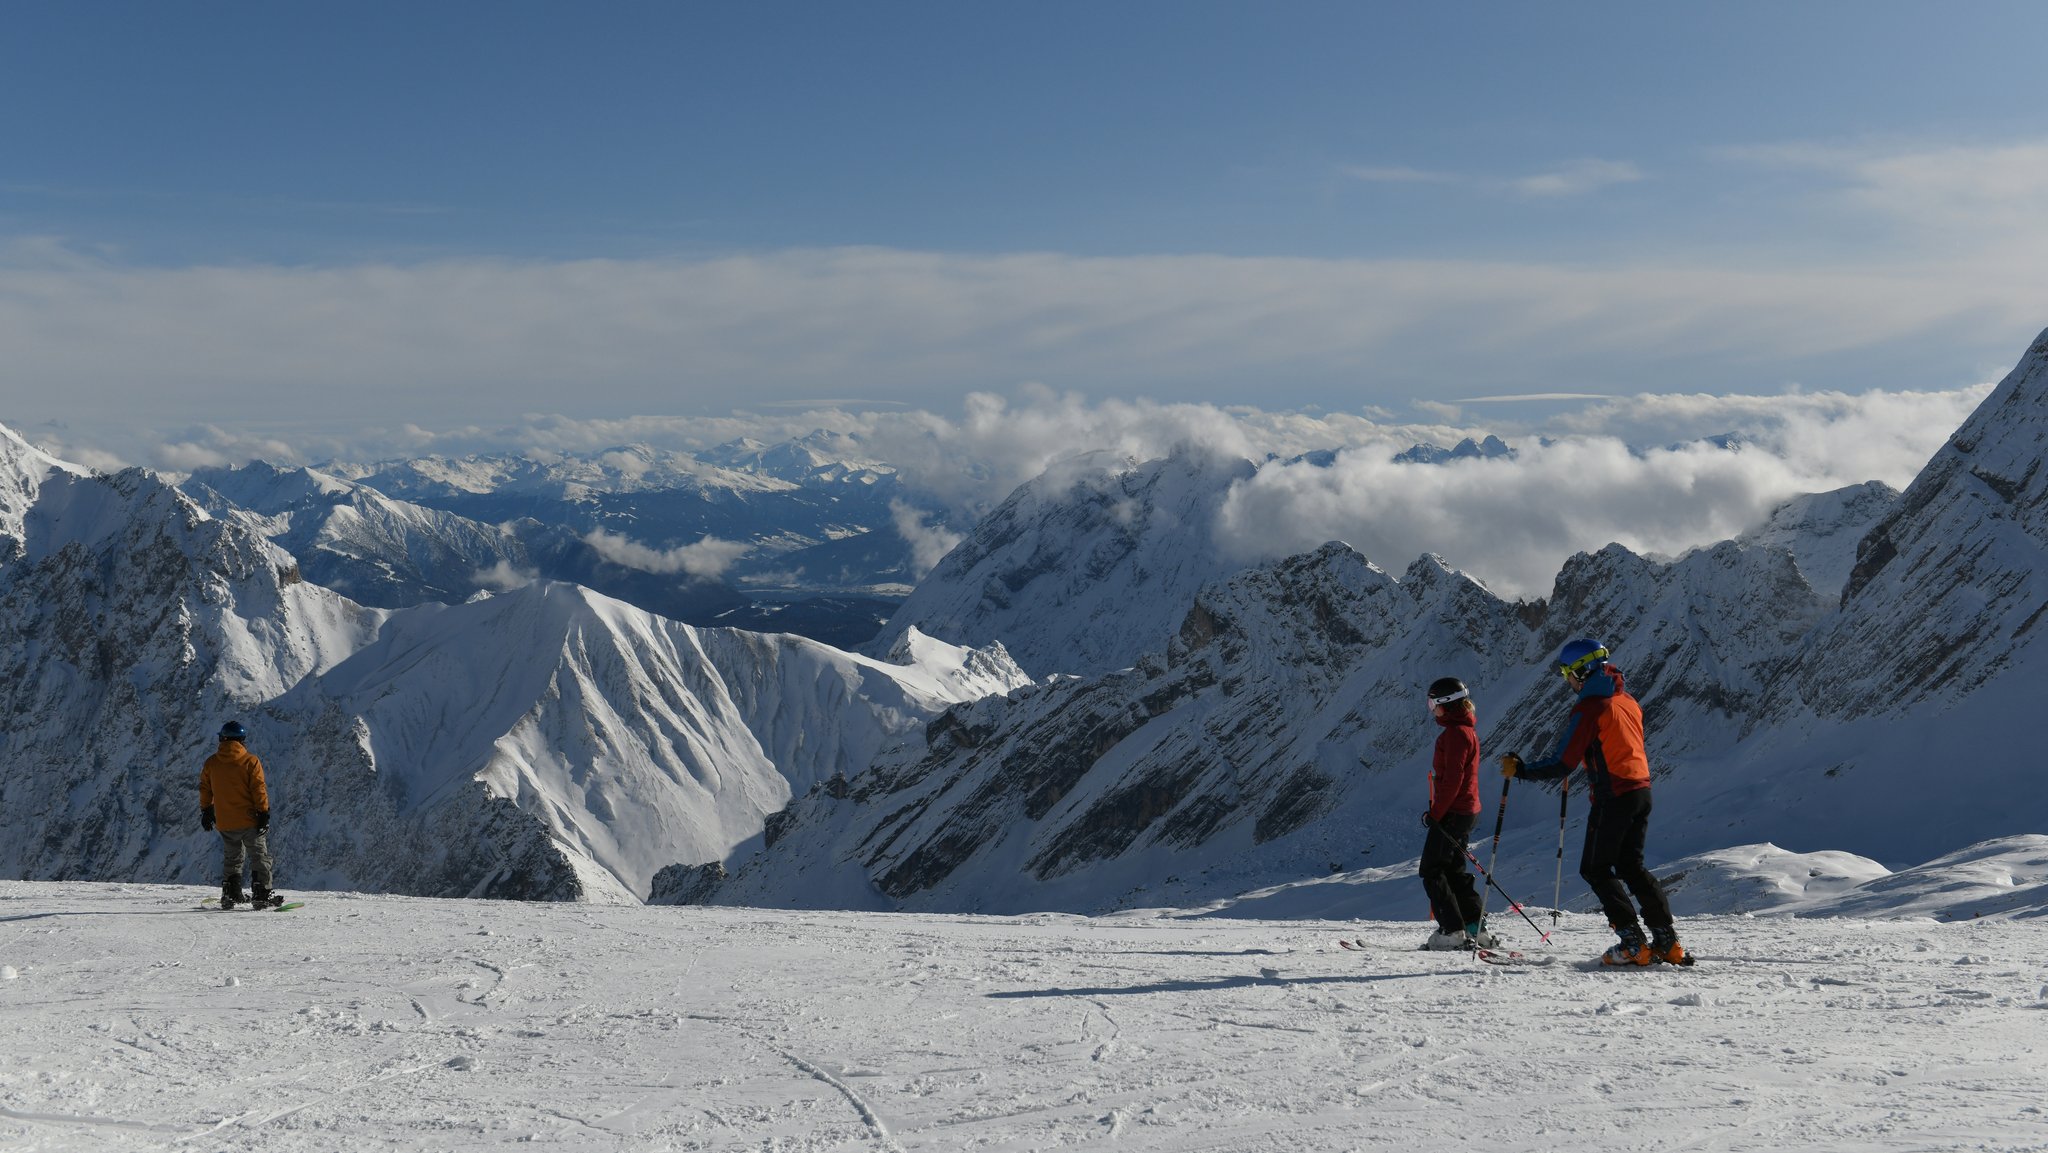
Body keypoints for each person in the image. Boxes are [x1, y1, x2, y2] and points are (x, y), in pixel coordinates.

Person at [1499, 639, 1687, 966]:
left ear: (1582, 672)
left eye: (1567, 673)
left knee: (1595, 868)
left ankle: (1632, 943)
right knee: (1631, 866)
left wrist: (1522, 769)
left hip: (1613, 796)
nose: (1566, 681)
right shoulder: (1627, 701)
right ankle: (1666, 942)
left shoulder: (1591, 707)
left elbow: (1562, 763)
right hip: (1640, 792)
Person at [1418, 676, 1497, 950]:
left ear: (1445, 704)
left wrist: (1436, 814)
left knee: (1431, 869)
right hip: (1465, 810)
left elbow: (1452, 779)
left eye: (1432, 704)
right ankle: (1476, 928)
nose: (1432, 710)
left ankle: (1452, 930)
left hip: (1453, 811)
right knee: (1453, 870)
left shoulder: (1454, 735)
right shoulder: (1465, 731)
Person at [199, 720, 280, 909]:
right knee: (259, 856)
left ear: (222, 738)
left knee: (232, 857)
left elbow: (205, 789)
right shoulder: (250, 761)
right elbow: (258, 789)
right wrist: (263, 813)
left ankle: (230, 893)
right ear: (242, 740)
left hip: (225, 821)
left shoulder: (211, 763)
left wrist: (207, 811)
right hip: (249, 820)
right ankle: (261, 894)